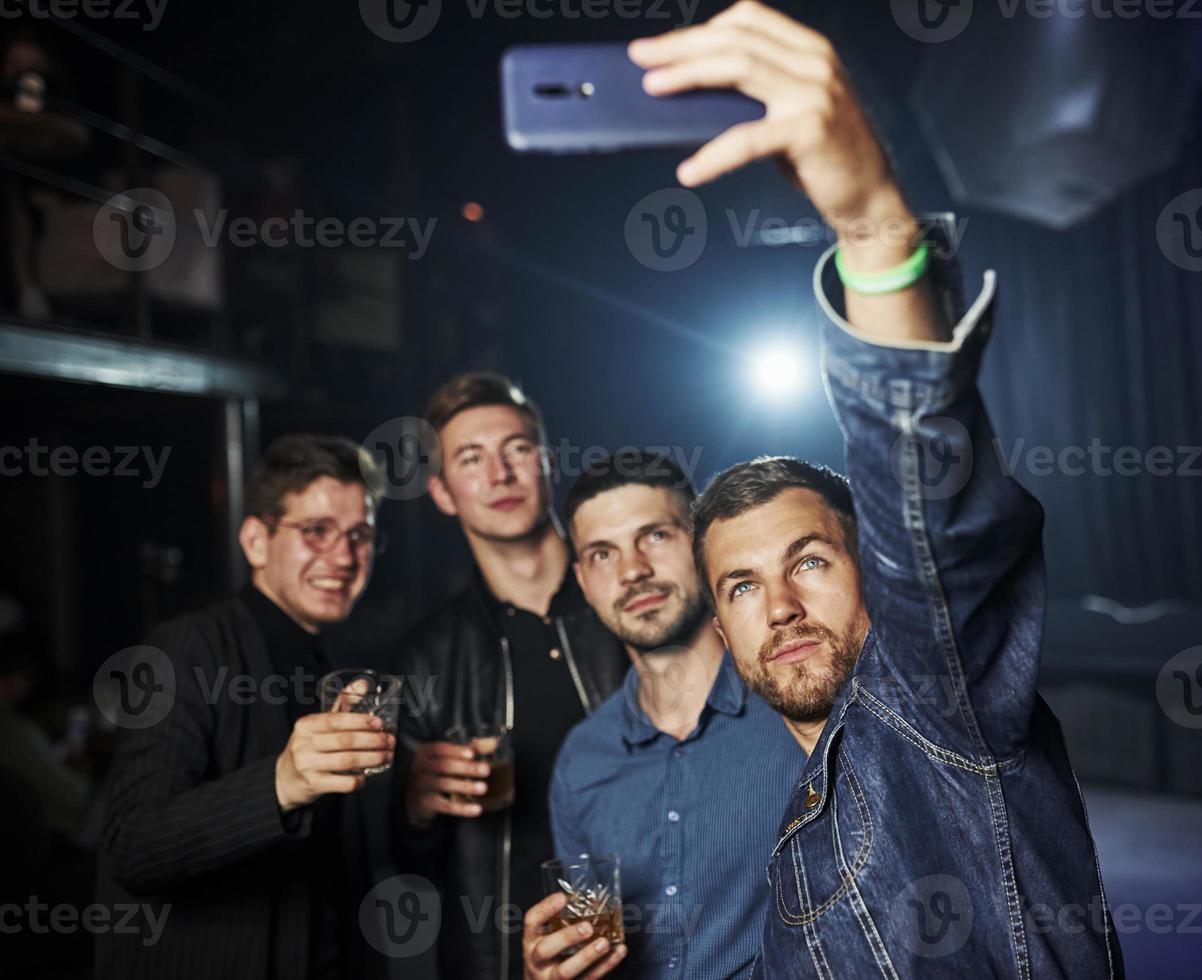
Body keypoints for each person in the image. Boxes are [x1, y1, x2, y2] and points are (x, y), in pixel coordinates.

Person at [629, 3, 1126, 976]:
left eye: (809, 559)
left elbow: (934, 530)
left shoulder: (933, 719)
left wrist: (869, 225)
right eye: (739, 586)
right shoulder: (799, 827)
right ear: (719, 630)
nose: (778, 605)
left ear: (875, 576)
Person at [95, 435, 393, 980]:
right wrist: (281, 784)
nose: (345, 556)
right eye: (316, 531)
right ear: (256, 541)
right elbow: (131, 847)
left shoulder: (335, 661)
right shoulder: (188, 646)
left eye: (360, 535)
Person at [522, 452, 806, 979]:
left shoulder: (798, 705)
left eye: (654, 536)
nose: (634, 571)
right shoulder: (582, 759)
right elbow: (589, 948)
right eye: (603, 554)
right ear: (582, 580)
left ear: (701, 545)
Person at [390, 372, 627, 980]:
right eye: (472, 459)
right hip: (510, 963)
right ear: (443, 493)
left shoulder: (631, 598)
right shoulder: (427, 657)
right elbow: (407, 862)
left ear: (546, 462)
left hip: (667, 939)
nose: (500, 474)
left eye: (517, 449)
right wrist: (414, 805)